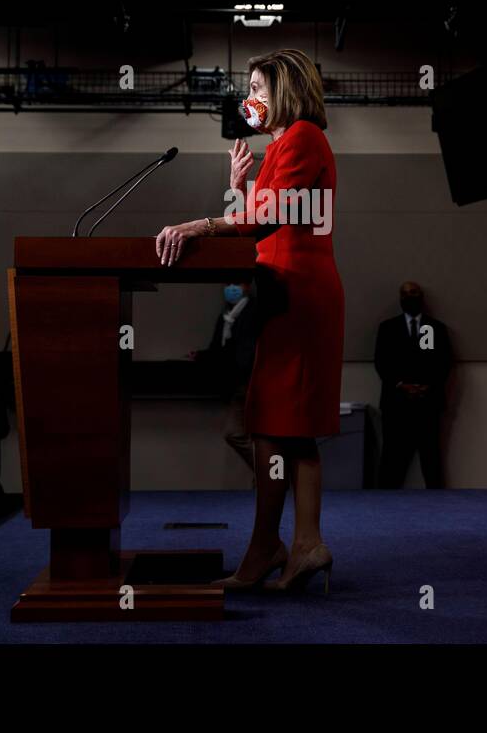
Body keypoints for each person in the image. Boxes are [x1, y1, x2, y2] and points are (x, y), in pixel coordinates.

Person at [156, 48, 343, 593]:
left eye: (260, 88)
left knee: (273, 423)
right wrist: (240, 186)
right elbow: (265, 219)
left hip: (297, 297)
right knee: (289, 426)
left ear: (285, 91)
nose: (252, 99)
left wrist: (202, 222)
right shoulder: (284, 145)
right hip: (286, 291)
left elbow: (266, 221)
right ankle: (302, 545)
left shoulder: (304, 136)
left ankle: (273, 548)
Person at [373, 281, 453, 489]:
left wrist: (428, 386)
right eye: (405, 293)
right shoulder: (387, 328)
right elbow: (381, 362)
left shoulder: (437, 328)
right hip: (396, 403)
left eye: (414, 292)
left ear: (422, 296)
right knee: (391, 461)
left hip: (428, 402)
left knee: (431, 461)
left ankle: (440, 509)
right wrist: (401, 385)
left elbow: (444, 362)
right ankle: (383, 509)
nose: (409, 297)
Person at [192, 280, 259, 472]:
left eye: (237, 283)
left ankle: (272, 477)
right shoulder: (226, 317)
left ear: (247, 286)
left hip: (255, 383)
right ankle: (268, 475)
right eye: (227, 284)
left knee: (261, 436)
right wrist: (201, 356)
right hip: (237, 385)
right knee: (234, 433)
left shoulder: (256, 311)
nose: (232, 288)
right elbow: (219, 349)